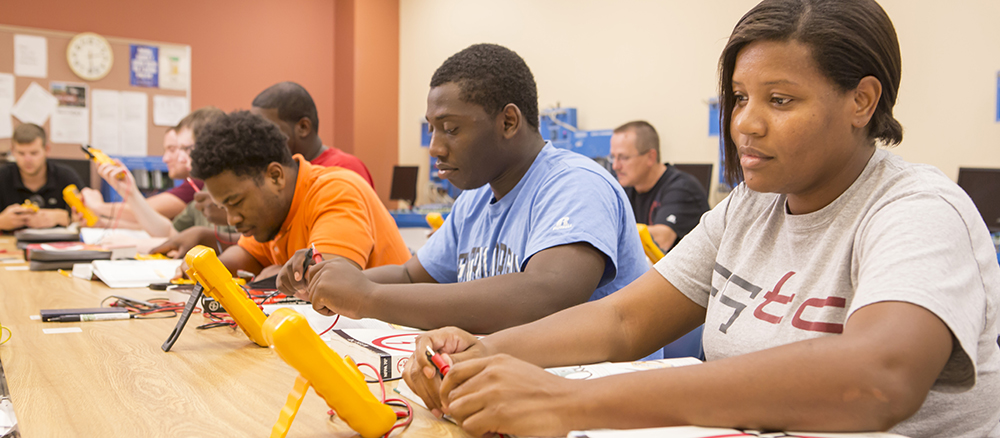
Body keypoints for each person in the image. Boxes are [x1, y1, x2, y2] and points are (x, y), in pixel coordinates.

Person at [401, 1, 1000, 437]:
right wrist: (483, 352)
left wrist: (570, 401)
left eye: (780, 100)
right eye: (739, 98)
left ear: (862, 101)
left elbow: (877, 379)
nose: (745, 123)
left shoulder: (918, 209)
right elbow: (621, 321)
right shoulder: (749, 207)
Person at [275, 44, 650, 340]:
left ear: (508, 122)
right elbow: (410, 278)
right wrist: (331, 276)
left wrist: (367, 298)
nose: (435, 147)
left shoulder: (574, 183)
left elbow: (546, 295)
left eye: (450, 129)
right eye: (432, 130)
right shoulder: (474, 199)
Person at [169, 110, 409, 279]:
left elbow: (329, 281)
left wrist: (280, 278)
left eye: (236, 203)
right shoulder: (273, 212)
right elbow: (246, 256)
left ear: (275, 176)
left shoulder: (335, 190)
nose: (232, 219)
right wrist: (207, 272)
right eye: (224, 207)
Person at [81, 107, 224, 226]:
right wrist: (101, 222)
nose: (165, 158)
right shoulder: (194, 187)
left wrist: (97, 206)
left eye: (174, 149)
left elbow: (143, 213)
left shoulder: (199, 183)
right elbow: (159, 227)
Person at [251, 81, 374, 187]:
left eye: (269, 130)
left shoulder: (343, 169)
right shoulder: (285, 171)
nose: (260, 139)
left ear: (303, 127)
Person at [611, 121, 709, 251]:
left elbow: (662, 238)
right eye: (613, 157)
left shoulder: (682, 189)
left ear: (651, 157)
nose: (615, 166)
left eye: (623, 158)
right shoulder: (625, 188)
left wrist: (608, 230)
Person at [0, 123, 84, 231]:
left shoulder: (65, 176)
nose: (27, 160)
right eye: (21, 153)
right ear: (12, 151)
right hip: (10, 244)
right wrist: (2, 221)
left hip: (59, 244)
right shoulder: (2, 177)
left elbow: (89, 218)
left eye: (34, 153)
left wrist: (63, 217)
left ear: (46, 150)